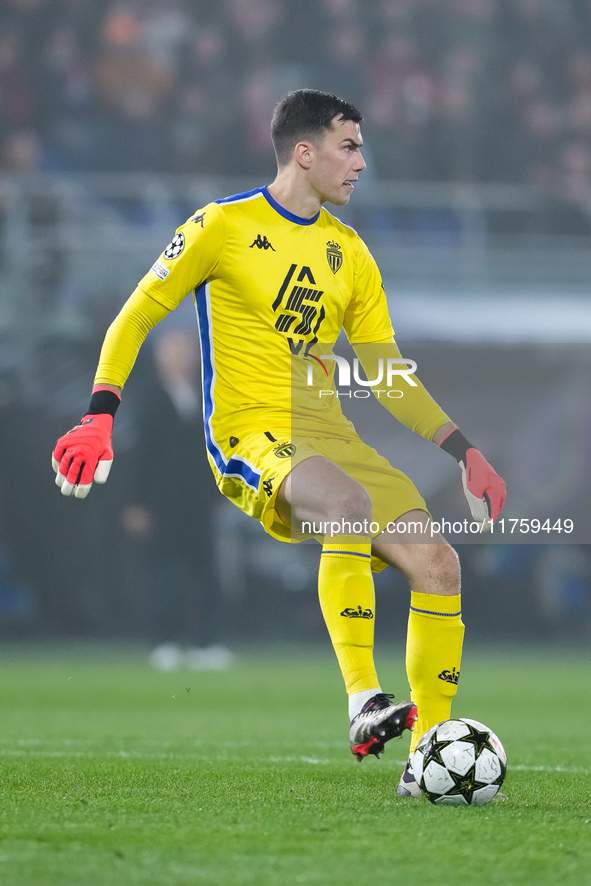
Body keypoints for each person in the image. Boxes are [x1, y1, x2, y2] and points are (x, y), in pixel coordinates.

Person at [52, 89, 506, 797]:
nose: (361, 162)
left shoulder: (349, 252)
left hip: (333, 433)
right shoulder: (220, 226)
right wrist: (98, 412)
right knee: (346, 504)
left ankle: (423, 761)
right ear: (304, 151)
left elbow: (387, 375)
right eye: (348, 146)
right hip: (251, 429)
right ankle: (364, 701)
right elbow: (134, 317)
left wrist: (463, 450)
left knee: (440, 565)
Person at [121, 328, 233, 671]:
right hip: (159, 504)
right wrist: (135, 503)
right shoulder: (148, 397)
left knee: (205, 574)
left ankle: (204, 642)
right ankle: (163, 642)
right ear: (159, 356)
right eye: (175, 349)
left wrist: (221, 494)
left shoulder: (206, 396)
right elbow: (137, 455)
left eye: (187, 350)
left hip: (199, 503)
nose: (182, 356)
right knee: (161, 575)